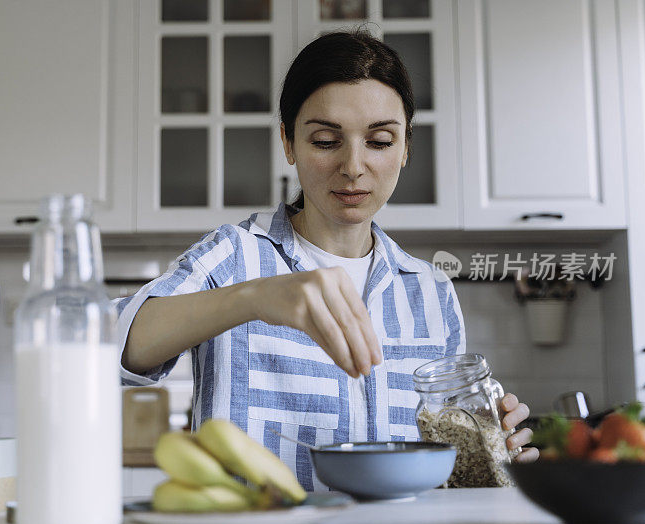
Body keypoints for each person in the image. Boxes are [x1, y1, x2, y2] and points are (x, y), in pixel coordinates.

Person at [115, 29, 538, 490]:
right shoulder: (235, 255)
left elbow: (450, 474)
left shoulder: (430, 292)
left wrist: (490, 452)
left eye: (379, 141)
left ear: (405, 148)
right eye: (324, 141)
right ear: (289, 143)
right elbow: (111, 346)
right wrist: (255, 297)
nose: (354, 166)